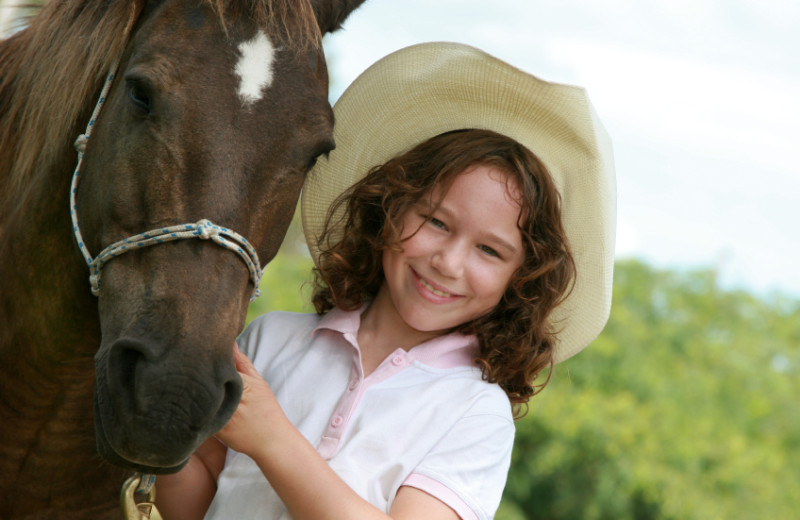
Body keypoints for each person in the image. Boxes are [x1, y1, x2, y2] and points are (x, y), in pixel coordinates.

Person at [155, 42, 615, 520]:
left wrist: (272, 439)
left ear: (521, 280)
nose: (448, 262)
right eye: (436, 222)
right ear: (389, 209)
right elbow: (194, 503)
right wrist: (166, 425)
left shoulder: (475, 411)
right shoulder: (270, 340)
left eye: (489, 250)